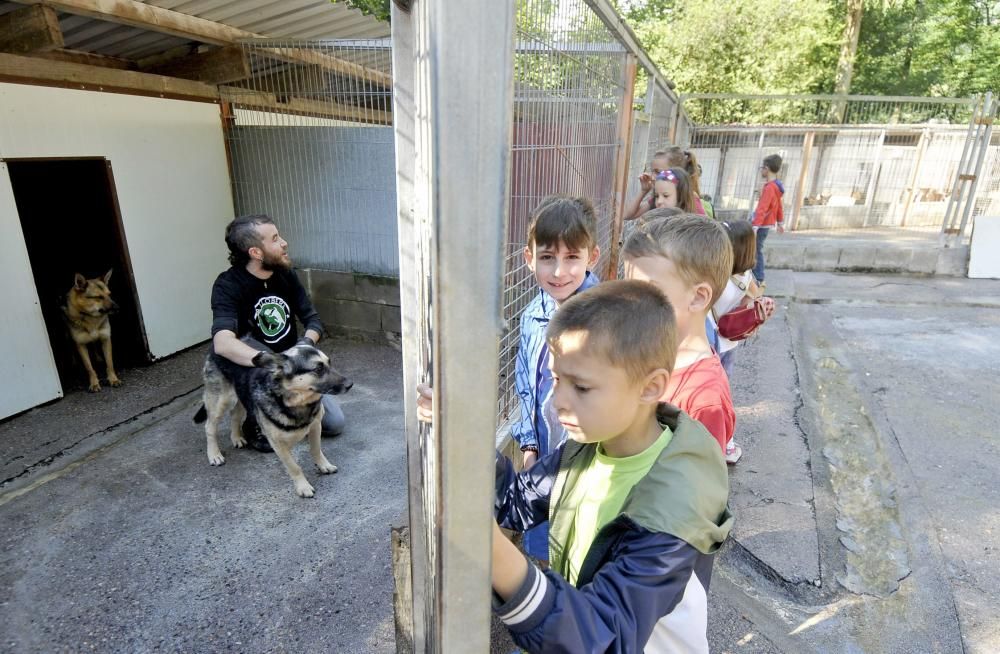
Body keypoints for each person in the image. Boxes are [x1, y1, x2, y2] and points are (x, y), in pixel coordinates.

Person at [416, 281, 732, 652]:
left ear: (650, 387)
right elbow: (516, 501)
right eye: (555, 379)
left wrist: (489, 548)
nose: (558, 402)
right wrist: (462, 434)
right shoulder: (585, 449)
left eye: (580, 387)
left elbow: (605, 634)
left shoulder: (676, 508)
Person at [511, 195, 600, 564]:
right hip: (547, 451)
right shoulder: (533, 315)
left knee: (586, 543)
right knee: (544, 539)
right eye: (547, 257)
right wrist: (529, 446)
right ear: (529, 258)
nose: (559, 272)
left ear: (591, 258)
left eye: (571, 258)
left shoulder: (605, 315)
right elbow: (526, 386)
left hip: (591, 456)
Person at [210, 214, 345, 451]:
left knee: (334, 423)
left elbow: (313, 321)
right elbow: (222, 343)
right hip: (260, 371)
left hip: (295, 366)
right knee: (269, 440)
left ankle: (287, 415)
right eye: (275, 239)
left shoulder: (286, 275)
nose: (284, 243)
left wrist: (302, 348)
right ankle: (254, 420)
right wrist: (272, 363)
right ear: (256, 252)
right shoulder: (228, 285)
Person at [622, 214, 736, 455]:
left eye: (648, 290)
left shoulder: (705, 399)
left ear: (697, 297)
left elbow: (699, 487)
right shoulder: (645, 351)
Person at [711, 220, 774, 464]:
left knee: (710, 398)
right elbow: (753, 302)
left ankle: (718, 441)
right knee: (723, 396)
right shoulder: (746, 277)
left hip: (712, 345)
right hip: (731, 345)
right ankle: (727, 442)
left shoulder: (719, 278)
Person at [751, 154, 786, 287]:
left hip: (761, 225)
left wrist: (755, 226)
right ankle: (756, 275)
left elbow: (762, 208)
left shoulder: (770, 188)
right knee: (756, 249)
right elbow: (779, 206)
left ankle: (758, 277)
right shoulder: (776, 186)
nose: (761, 171)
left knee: (755, 250)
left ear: (767, 168)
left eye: (762, 168)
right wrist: (780, 222)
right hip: (766, 224)